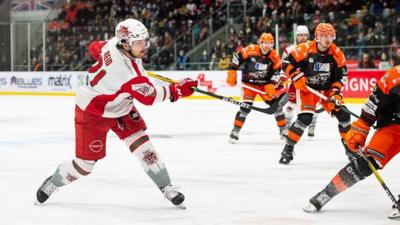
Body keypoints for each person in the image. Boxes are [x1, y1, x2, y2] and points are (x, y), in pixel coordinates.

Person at [35, 19, 198, 208]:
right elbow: (151, 97)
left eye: (145, 41)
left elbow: (94, 48)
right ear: (125, 43)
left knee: (144, 146)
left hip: (120, 105)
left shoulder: (112, 43)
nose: (144, 46)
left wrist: (110, 64)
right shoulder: (130, 75)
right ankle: (53, 182)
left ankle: (166, 187)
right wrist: (178, 90)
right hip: (92, 112)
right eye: (139, 42)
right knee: (85, 165)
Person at [303, 65, 400, 218]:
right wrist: (361, 128)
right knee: (367, 162)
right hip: (395, 125)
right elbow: (373, 104)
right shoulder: (395, 76)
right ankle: (327, 193)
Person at [279, 23, 350, 164]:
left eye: (330, 36)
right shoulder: (304, 49)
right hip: (308, 89)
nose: (327, 39)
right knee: (305, 118)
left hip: (327, 89)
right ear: (317, 37)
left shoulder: (337, 53)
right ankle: (288, 148)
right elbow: (286, 63)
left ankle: (350, 148)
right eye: (324, 36)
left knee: (344, 114)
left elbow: (341, 75)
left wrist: (336, 92)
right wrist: (295, 76)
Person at [226, 32, 286, 143]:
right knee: (245, 107)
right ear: (260, 42)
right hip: (249, 85)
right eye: (265, 43)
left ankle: (283, 130)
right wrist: (232, 73)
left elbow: (276, 72)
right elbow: (236, 59)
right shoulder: (250, 49)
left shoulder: (275, 56)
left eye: (270, 43)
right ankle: (235, 131)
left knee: (277, 107)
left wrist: (271, 85)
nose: (267, 46)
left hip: (264, 86)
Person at [281, 25, 319, 137]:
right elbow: (284, 65)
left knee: (312, 106)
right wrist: (282, 77)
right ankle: (286, 127)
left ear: (308, 36)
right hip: (296, 82)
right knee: (289, 106)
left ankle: (312, 125)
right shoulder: (289, 50)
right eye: (300, 35)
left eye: (305, 35)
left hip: (311, 81)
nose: (302, 37)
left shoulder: (314, 47)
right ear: (296, 36)